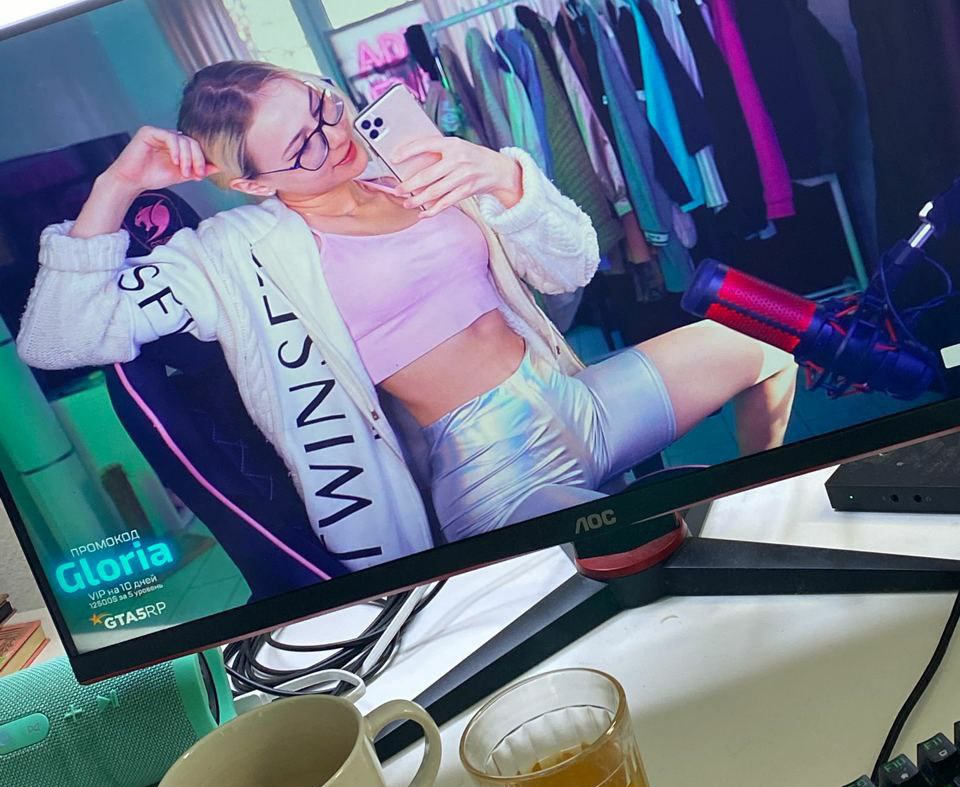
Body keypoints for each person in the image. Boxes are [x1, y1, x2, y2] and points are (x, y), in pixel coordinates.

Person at [16, 61, 796, 573]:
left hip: (576, 397)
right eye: (304, 145)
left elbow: (574, 267)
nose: (336, 135)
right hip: (496, 472)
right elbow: (55, 340)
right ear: (252, 184)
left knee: (768, 342)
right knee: (642, 552)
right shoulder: (234, 255)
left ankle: (766, 511)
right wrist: (117, 186)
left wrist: (504, 177)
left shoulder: (413, 163)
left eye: (324, 106)